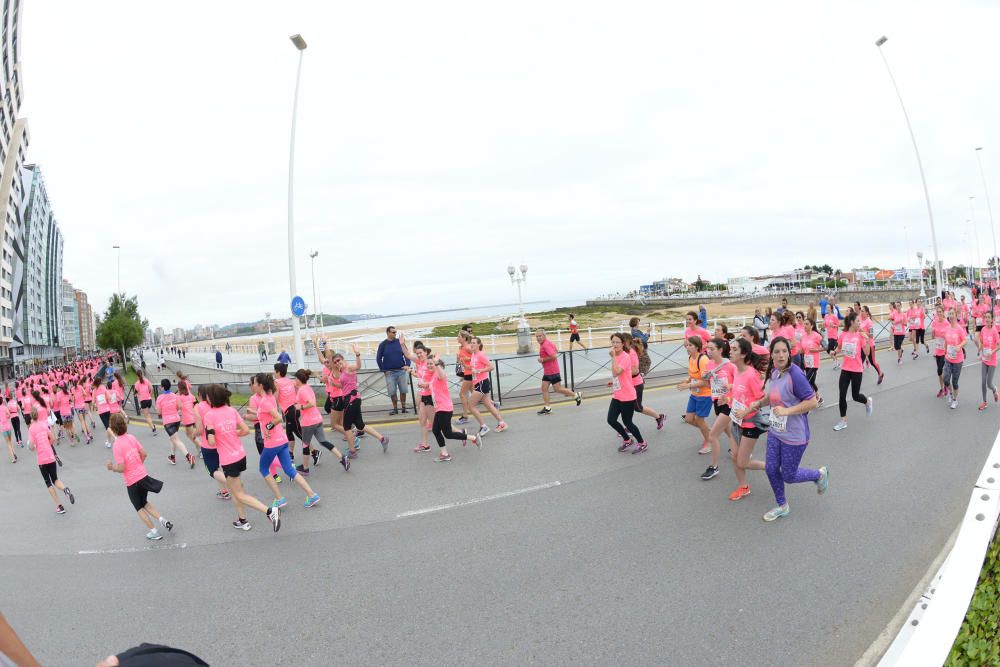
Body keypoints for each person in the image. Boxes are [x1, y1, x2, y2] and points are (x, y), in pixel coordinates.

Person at [759, 337, 828, 522]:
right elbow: (772, 397)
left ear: (789, 353)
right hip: (775, 431)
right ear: (772, 354)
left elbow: (813, 401)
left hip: (795, 436)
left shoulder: (795, 374)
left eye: (784, 351)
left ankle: (819, 474)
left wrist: (786, 411)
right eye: (777, 351)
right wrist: (757, 404)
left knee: (789, 476)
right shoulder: (774, 372)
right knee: (771, 468)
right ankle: (782, 506)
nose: (781, 355)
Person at [203, 383, 281, 532]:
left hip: (228, 460)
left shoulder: (209, 416)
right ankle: (242, 519)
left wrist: (214, 434)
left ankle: (270, 512)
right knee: (234, 490)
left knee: (239, 494)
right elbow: (245, 430)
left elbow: (212, 442)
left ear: (211, 398)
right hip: (240, 455)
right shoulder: (231, 410)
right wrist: (231, 435)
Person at [253, 373, 324, 509]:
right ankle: (311, 495)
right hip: (282, 441)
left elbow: (278, 417)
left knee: (263, 468)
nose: (253, 386)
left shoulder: (264, 401)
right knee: (289, 469)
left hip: (272, 443)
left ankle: (279, 499)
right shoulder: (270, 398)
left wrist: (268, 427)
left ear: (260, 386)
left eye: (254, 383)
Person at [105, 413, 174, 540]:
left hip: (132, 482)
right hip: (143, 476)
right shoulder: (131, 437)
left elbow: (121, 468)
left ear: (113, 428)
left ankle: (154, 531)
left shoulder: (117, 445)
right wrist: (138, 465)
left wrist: (111, 468)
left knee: (138, 507)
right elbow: (144, 453)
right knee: (145, 502)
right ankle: (163, 520)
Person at [726, 338, 767, 501]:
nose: (730, 351)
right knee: (735, 457)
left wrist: (747, 410)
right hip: (736, 421)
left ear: (743, 354)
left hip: (750, 422)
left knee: (742, 462)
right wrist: (727, 399)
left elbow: (763, 399)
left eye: (734, 349)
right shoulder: (736, 370)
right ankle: (743, 487)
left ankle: (774, 468)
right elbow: (738, 394)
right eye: (730, 348)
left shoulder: (752, 375)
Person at [419, 351, 479, 462]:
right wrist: (425, 385)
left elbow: (441, 375)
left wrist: (436, 364)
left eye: (431, 364)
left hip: (444, 408)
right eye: (428, 364)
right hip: (440, 408)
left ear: (438, 365)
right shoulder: (433, 376)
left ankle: (473, 438)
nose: (429, 366)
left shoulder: (439, 374)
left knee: (448, 434)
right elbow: (433, 384)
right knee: (436, 430)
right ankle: (444, 453)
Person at [335, 344, 390, 458]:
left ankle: (352, 451)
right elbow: (342, 385)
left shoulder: (349, 368)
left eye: (338, 360)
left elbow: (358, 366)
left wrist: (357, 354)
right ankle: (382, 439)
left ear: (343, 359)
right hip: (352, 399)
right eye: (335, 362)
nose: (337, 363)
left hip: (351, 399)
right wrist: (332, 382)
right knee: (360, 424)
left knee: (346, 426)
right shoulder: (342, 372)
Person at [292, 369, 349, 472]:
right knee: (323, 441)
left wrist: (300, 407)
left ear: (299, 380)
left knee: (305, 444)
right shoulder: (306, 387)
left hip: (308, 422)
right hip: (317, 419)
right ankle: (342, 458)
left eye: (295, 378)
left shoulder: (302, 390)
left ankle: (305, 468)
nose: (294, 380)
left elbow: (312, 403)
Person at [700, 338, 738, 481]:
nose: (708, 351)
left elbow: (740, 384)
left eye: (712, 349)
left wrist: (730, 387)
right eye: (707, 348)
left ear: (721, 350)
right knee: (729, 431)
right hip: (716, 401)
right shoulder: (709, 364)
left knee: (713, 435)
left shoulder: (730, 366)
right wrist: (705, 378)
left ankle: (714, 467)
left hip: (728, 403)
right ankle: (739, 450)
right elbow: (708, 384)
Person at [28, 407, 74, 514]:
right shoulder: (44, 424)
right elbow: (52, 438)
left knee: (48, 483)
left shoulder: (31, 428)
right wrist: (47, 446)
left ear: (31, 416)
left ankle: (60, 506)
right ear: (38, 415)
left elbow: (31, 445)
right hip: (50, 456)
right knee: (55, 479)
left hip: (42, 459)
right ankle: (65, 489)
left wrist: (33, 447)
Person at [833, 312, 873, 431]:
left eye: (860, 321)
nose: (859, 323)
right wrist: (834, 352)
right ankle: (843, 420)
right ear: (851, 322)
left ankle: (867, 401)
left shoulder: (860, 336)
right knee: (842, 395)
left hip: (857, 370)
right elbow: (839, 348)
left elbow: (867, 353)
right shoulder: (843, 335)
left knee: (855, 396)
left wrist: (867, 341)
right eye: (858, 321)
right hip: (845, 369)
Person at [608, 333, 647, 453]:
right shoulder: (617, 356)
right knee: (611, 420)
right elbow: (618, 374)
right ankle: (627, 439)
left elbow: (617, 371)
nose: (614, 345)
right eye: (613, 342)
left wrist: (613, 357)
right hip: (618, 394)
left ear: (623, 343)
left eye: (617, 342)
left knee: (628, 422)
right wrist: (613, 381)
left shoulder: (625, 356)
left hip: (628, 395)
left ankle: (642, 443)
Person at [465, 336, 508, 436]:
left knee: (470, 405)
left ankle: (483, 426)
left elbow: (491, 367)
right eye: (471, 343)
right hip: (478, 383)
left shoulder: (480, 355)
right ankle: (502, 423)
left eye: (474, 343)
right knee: (488, 405)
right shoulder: (473, 355)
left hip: (482, 382)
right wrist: (464, 364)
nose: (472, 344)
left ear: (479, 345)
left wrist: (479, 371)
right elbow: (472, 367)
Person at [677, 336, 712, 454]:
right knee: (688, 419)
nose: (687, 347)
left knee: (699, 420)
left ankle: (708, 442)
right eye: (687, 345)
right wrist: (687, 380)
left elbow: (706, 381)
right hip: (694, 393)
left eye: (690, 345)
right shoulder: (690, 358)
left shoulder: (703, 360)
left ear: (697, 347)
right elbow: (693, 375)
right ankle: (708, 431)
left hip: (705, 394)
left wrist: (688, 386)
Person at [535, 329, 582, 414]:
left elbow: (554, 356)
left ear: (544, 336)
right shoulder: (547, 343)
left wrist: (542, 359)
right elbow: (555, 350)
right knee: (544, 388)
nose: (538, 338)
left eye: (540, 336)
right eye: (537, 336)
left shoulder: (545, 345)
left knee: (558, 389)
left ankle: (576, 395)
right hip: (548, 371)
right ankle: (547, 407)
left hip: (552, 371)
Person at [156, 379, 195, 468]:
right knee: (172, 439)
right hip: (176, 420)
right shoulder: (175, 395)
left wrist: (165, 410)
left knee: (176, 440)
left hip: (168, 422)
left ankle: (189, 456)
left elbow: (158, 412)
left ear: (162, 387)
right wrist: (173, 410)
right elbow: (180, 406)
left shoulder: (160, 398)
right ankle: (172, 457)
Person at [629, 337, 665, 429]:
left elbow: (648, 362)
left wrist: (641, 373)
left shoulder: (638, 352)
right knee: (626, 405)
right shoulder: (624, 352)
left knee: (637, 407)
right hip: (628, 382)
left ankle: (658, 417)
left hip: (636, 382)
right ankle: (628, 425)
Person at [376, 326, 411, 415]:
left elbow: (407, 354)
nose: (395, 334)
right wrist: (383, 370)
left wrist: (407, 365)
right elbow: (378, 358)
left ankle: (403, 408)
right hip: (389, 373)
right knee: (392, 392)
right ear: (388, 333)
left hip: (401, 371)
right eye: (393, 332)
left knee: (403, 390)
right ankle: (395, 409)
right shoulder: (382, 345)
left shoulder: (399, 342)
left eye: (395, 332)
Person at [942, 308, 968, 409]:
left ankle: (954, 400)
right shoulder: (947, 328)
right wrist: (945, 352)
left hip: (958, 360)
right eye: (950, 314)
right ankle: (951, 392)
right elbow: (946, 341)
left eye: (953, 314)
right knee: (946, 379)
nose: (951, 316)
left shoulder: (959, 328)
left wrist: (960, 346)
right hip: (948, 358)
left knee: (955, 382)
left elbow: (965, 340)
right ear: (948, 316)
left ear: (955, 316)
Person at [976, 310, 999, 411]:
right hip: (985, 359)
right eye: (986, 317)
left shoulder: (994, 331)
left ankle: (995, 390)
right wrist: (979, 349)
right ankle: (985, 402)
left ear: (992, 319)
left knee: (989, 383)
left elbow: (999, 345)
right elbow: (981, 342)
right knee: (982, 382)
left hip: (992, 360)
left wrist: (992, 351)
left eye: (989, 317)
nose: (987, 319)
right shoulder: (983, 330)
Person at [930, 304, 950, 398]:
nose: (939, 313)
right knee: (939, 372)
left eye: (940, 312)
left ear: (943, 312)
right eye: (937, 312)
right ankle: (942, 388)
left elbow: (949, 337)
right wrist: (933, 332)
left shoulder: (946, 323)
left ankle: (945, 386)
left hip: (944, 350)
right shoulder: (935, 322)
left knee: (940, 369)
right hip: (937, 349)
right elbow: (932, 337)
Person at [134, 369, 157, 436]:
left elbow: (135, 392)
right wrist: (150, 395)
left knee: (146, 416)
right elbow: (152, 388)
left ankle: (153, 429)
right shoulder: (146, 380)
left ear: (137, 375)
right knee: (148, 414)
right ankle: (153, 425)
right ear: (142, 374)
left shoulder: (137, 383)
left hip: (143, 400)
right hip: (149, 400)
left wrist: (138, 394)